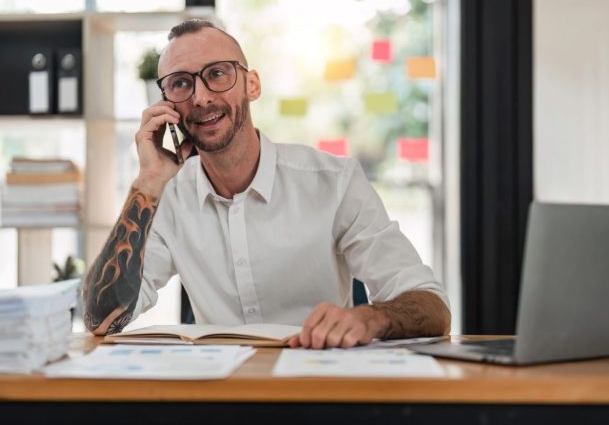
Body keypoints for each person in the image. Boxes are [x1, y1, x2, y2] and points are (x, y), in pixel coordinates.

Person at [82, 19, 450, 349]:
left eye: (218, 74)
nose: (201, 97)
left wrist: (369, 318)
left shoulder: (335, 183)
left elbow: (432, 307)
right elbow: (101, 321)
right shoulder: (168, 196)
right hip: (219, 398)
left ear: (252, 84)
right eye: (181, 84)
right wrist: (147, 182)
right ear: (167, 105)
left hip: (317, 389)